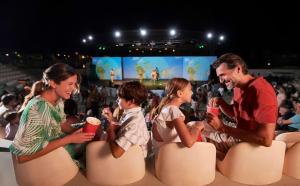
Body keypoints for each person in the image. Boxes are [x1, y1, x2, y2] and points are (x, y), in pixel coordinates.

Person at [10, 63, 95, 165]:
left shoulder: (58, 101)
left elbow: (61, 125)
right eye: (70, 84)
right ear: (53, 83)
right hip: (47, 163)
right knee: (93, 147)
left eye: (74, 84)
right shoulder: (38, 109)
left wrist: (82, 126)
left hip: (58, 152)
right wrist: (69, 139)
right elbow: (22, 157)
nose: (73, 89)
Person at [204, 53, 277, 159]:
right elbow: (236, 115)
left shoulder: (261, 90)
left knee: (197, 135)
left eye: (223, 75)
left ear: (238, 69)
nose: (221, 81)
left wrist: (222, 127)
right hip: (241, 136)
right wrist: (221, 103)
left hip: (249, 145)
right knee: (197, 125)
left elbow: (265, 139)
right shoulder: (238, 87)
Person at [151, 78, 204, 150]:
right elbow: (189, 142)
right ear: (180, 93)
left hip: (161, 158)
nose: (192, 92)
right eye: (190, 90)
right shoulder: (173, 111)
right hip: (170, 158)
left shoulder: (166, 108)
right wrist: (197, 127)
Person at [101, 81, 150, 158]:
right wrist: (111, 118)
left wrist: (110, 130)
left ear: (130, 101)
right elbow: (124, 127)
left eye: (120, 98)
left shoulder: (135, 123)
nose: (117, 100)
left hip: (130, 162)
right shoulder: (132, 113)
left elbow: (116, 153)